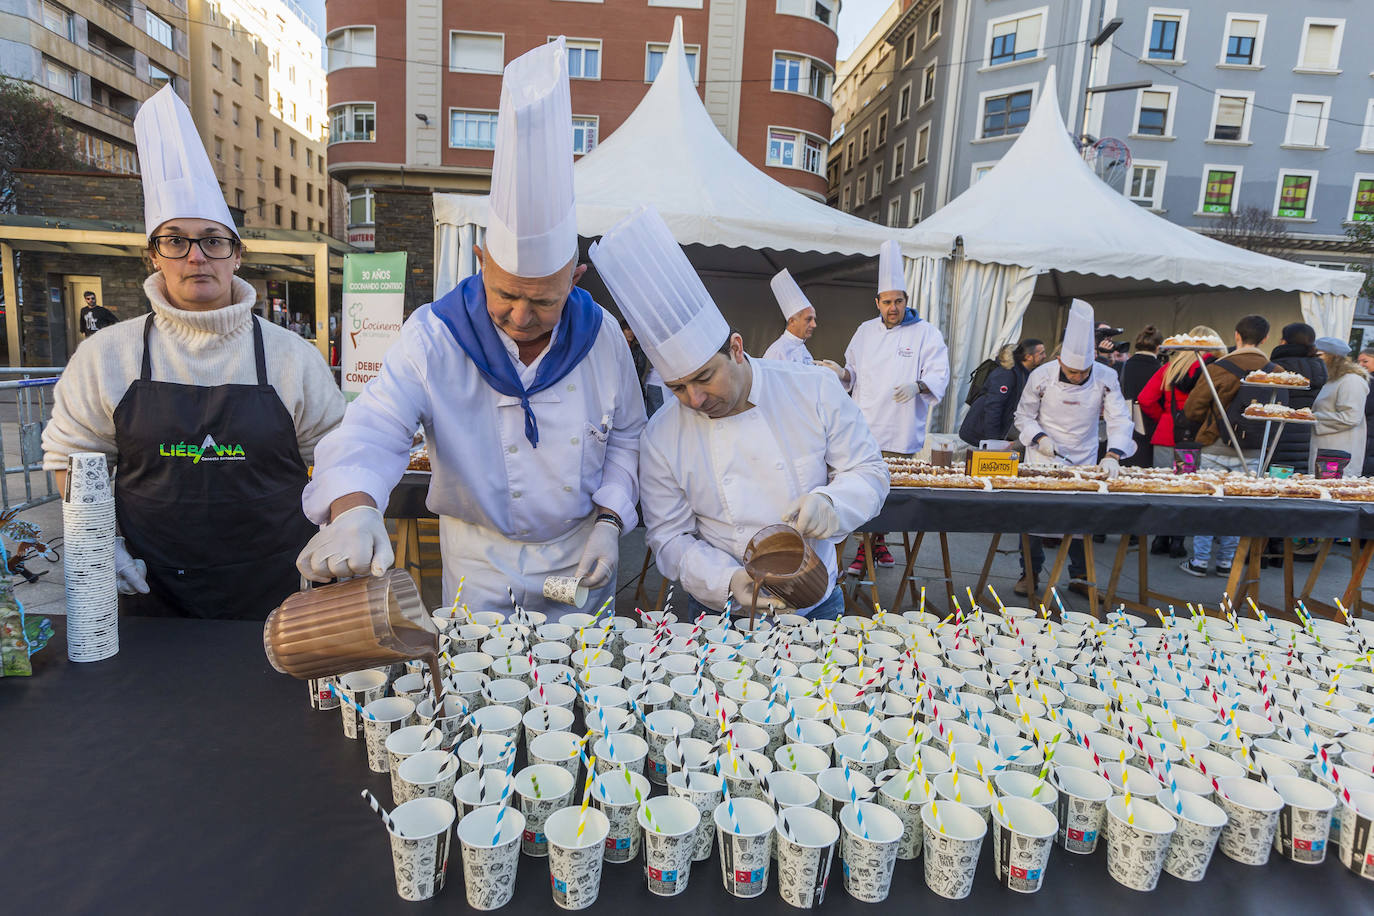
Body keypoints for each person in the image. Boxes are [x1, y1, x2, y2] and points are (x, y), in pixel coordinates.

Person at [296, 40, 646, 618]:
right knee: (487, 690)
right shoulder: (434, 336)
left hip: (578, 560)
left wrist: (611, 520)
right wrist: (356, 509)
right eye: (506, 293)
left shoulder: (602, 335)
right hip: (483, 566)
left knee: (579, 688)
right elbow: (375, 427)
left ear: (576, 278)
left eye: (545, 301)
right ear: (482, 260)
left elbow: (629, 438)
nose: (521, 316)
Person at [40, 86, 346, 619]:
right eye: (175, 241)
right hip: (147, 583)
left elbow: (337, 456)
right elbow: (74, 459)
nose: (195, 256)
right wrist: (98, 542)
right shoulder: (106, 355)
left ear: (237, 255)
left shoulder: (292, 356)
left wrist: (341, 526)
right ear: (154, 255)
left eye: (212, 240)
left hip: (275, 585)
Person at [591, 206, 888, 620]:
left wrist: (831, 502)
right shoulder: (660, 436)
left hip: (817, 604)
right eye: (677, 387)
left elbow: (870, 472)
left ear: (735, 347)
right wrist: (729, 582)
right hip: (717, 610)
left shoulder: (812, 389)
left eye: (704, 378)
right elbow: (670, 537)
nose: (694, 399)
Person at [819, 239, 948, 574]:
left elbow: (938, 375)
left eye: (899, 301)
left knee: (889, 497)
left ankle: (876, 545)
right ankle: (867, 548)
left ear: (907, 301)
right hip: (864, 427)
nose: (893, 307)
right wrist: (841, 372)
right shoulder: (864, 332)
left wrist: (917, 385)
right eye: (888, 301)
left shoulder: (926, 333)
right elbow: (854, 375)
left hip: (902, 429)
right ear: (877, 302)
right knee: (865, 491)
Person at [1013, 300, 1134, 597]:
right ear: (1061, 362)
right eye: (1071, 372)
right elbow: (1023, 416)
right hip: (1043, 454)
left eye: (1083, 373)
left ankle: (1080, 575)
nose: (1077, 377)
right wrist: (1039, 437)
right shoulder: (1042, 375)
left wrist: (1113, 454)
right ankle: (1029, 573)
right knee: (1033, 517)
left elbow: (1120, 418)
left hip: (1083, 454)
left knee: (1080, 517)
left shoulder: (1107, 377)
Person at [1178, 314, 1275, 577]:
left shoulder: (1219, 368)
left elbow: (1193, 409)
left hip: (1215, 446)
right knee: (1238, 509)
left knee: (1208, 505)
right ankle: (1226, 563)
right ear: (1266, 338)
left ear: (1236, 336)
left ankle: (1199, 562)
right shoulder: (1275, 372)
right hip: (1254, 451)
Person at [1137, 327, 1225, 557]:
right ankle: (1178, 541)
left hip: (1166, 433)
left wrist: (1165, 416)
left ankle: (1159, 539)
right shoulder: (1214, 367)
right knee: (1189, 490)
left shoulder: (1170, 367)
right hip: (1196, 437)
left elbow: (1145, 399)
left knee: (1165, 489)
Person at [957, 338, 1044, 447]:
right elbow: (994, 406)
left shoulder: (1021, 374)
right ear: (1027, 357)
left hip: (991, 431)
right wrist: (992, 440)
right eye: (1041, 353)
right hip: (980, 433)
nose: (1044, 356)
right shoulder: (1006, 374)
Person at [1268, 322, 1327, 474]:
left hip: (1276, 431)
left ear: (1284, 341)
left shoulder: (1277, 365)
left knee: (1273, 480)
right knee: (1296, 483)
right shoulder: (1319, 366)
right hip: (1306, 432)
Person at [1309, 337, 1370, 478]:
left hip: (1339, 455)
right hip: (1327, 451)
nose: (1316, 360)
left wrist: (1314, 418)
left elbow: (1351, 417)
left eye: (1319, 355)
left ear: (1334, 357)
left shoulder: (1351, 381)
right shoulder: (1334, 380)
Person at [1120, 326, 1164, 467]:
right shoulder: (1160, 369)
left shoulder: (1123, 366)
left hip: (1123, 424)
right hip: (1151, 425)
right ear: (1158, 347)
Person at [762, 269, 818, 365]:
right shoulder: (777, 352)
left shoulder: (802, 348)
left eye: (814, 319)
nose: (814, 325)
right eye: (808, 319)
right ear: (792, 321)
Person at [1360, 348, 1374, 477]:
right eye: (1359, 362)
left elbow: (1367, 406)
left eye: (1365, 361)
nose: (1361, 365)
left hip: (1369, 429)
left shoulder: (1370, 381)